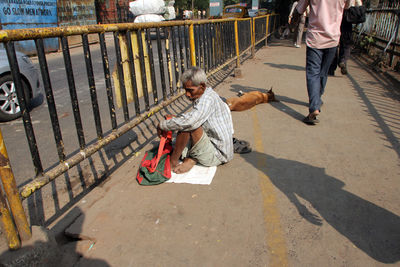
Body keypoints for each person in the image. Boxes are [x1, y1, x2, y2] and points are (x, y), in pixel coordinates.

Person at [157, 67, 234, 174]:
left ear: (202, 86)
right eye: (186, 90)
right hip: (217, 146)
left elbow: (190, 122)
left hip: (218, 155)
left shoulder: (207, 100)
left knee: (187, 126)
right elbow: (193, 118)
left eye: (190, 90)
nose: (187, 94)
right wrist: (172, 120)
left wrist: (162, 125)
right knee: (181, 121)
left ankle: (173, 162)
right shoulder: (207, 95)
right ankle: (193, 158)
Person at [292, 0, 352, 125]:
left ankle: (314, 106)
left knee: (313, 73)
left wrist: (292, 24)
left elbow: (299, 9)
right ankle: (317, 99)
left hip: (315, 38)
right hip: (333, 38)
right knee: (323, 72)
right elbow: (348, 7)